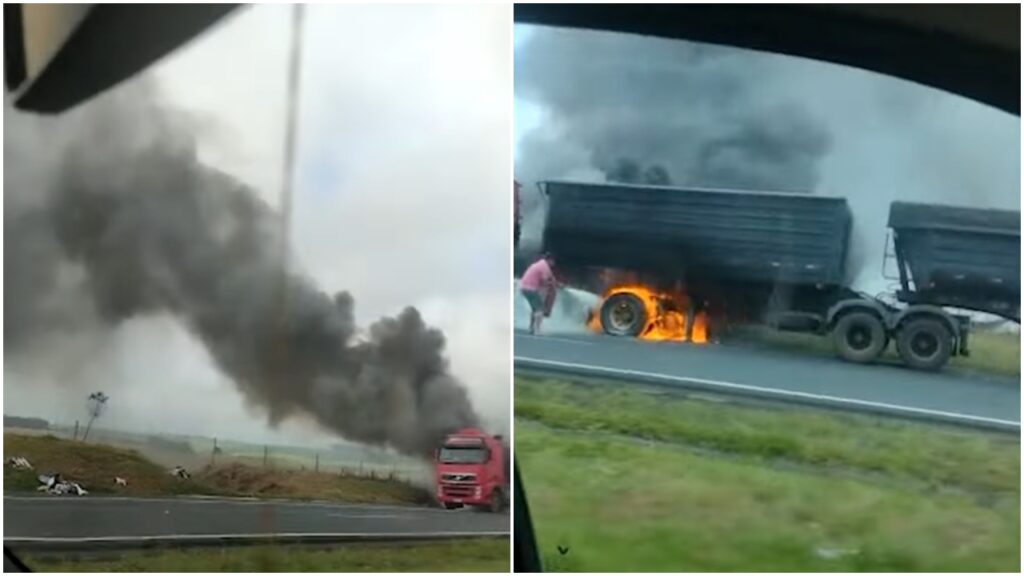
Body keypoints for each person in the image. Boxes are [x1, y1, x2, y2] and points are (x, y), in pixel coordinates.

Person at [521, 252, 557, 335]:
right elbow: (545, 281)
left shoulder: (539, 264)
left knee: (535, 309)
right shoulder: (544, 266)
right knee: (540, 309)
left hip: (524, 287)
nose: (554, 264)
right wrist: (552, 286)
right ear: (550, 260)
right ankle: (537, 330)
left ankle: (531, 328)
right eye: (553, 262)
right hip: (530, 288)